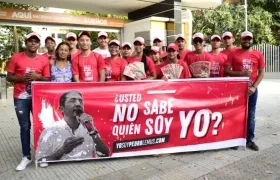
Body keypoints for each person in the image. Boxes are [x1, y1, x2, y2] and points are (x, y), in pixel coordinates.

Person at [6, 32, 50, 171]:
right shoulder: (16, 57)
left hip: (38, 98)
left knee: (41, 125)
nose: (33, 43)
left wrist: (37, 77)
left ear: (39, 45)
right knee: (25, 127)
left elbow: (48, 79)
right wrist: (22, 79)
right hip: (20, 97)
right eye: (31, 41)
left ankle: (42, 155)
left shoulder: (43, 59)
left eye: (36, 41)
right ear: (26, 43)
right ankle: (26, 156)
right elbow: (9, 77)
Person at [36, 90, 110, 167]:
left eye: (80, 101)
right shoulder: (50, 131)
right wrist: (62, 150)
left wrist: (91, 130)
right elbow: (40, 161)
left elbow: (105, 155)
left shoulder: (90, 129)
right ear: (62, 109)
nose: (78, 104)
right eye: (72, 101)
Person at [224, 31, 265, 151]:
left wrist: (254, 87)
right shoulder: (233, 53)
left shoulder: (258, 54)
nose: (247, 41)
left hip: (251, 90)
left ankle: (249, 140)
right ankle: (235, 139)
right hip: (237, 90)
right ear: (240, 40)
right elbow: (226, 71)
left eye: (249, 39)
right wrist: (240, 74)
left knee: (250, 116)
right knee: (236, 115)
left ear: (252, 40)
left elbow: (262, 73)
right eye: (244, 39)